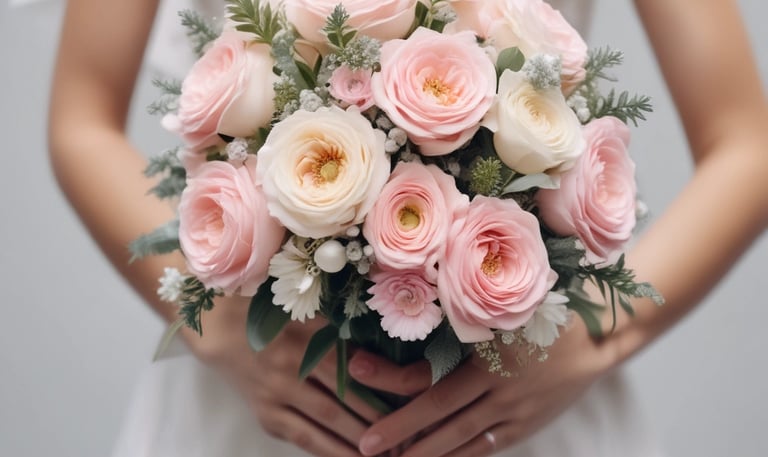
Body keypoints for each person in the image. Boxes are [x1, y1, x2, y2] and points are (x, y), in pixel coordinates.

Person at [47, 0, 768, 456]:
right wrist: (221, 330)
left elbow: (747, 144)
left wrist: (600, 332)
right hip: (254, 411)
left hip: (517, 405)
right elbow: (80, 119)